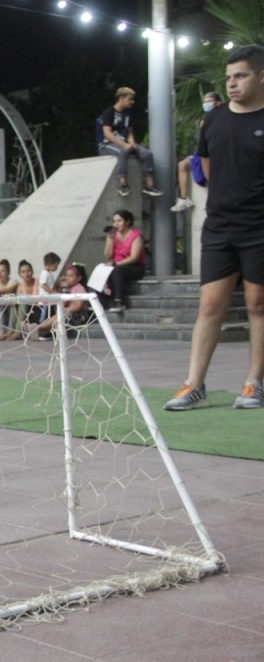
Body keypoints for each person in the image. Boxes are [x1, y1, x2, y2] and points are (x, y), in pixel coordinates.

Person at [165, 45, 264, 411]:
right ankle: (194, 384)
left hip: (260, 228)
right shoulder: (214, 120)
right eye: (229, 78)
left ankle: (254, 384)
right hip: (220, 226)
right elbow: (204, 171)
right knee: (209, 306)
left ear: (261, 76)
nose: (233, 84)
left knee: (257, 304)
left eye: (241, 76)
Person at [97, 87, 164, 198]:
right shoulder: (109, 112)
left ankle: (149, 185)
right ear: (121, 98)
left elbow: (129, 132)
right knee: (123, 152)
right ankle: (123, 184)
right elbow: (107, 134)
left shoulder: (128, 114)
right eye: (130, 99)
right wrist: (124, 145)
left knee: (147, 154)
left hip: (124, 142)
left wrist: (132, 143)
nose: (132, 102)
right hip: (106, 144)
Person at [171, 91, 224, 212]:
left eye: (209, 101)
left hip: (216, 155)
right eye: (204, 102)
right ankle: (184, 198)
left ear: (218, 102)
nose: (206, 104)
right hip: (202, 154)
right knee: (182, 165)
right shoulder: (204, 119)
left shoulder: (223, 118)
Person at [102, 209, 147, 313]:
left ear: (127, 222)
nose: (116, 224)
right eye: (114, 221)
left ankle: (119, 301)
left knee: (117, 270)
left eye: (119, 221)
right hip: (116, 265)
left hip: (135, 266)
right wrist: (110, 239)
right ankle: (103, 301)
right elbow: (108, 255)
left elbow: (134, 257)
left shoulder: (136, 235)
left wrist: (116, 264)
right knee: (102, 270)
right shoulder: (113, 235)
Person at [35, 264, 90, 340]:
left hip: (79, 317)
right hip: (68, 314)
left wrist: (66, 309)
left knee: (61, 315)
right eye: (66, 275)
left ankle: (37, 328)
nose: (67, 278)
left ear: (79, 278)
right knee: (56, 316)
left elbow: (78, 306)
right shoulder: (68, 289)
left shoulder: (80, 288)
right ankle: (39, 329)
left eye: (71, 276)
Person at [4, 259, 41, 341]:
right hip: (25, 313)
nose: (26, 274)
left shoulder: (38, 283)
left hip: (37, 310)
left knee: (23, 302)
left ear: (32, 271)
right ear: (20, 274)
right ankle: (10, 331)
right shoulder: (20, 286)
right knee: (15, 303)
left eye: (28, 271)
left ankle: (17, 332)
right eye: (23, 272)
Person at [38, 251, 61, 322]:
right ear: (49, 264)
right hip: (45, 301)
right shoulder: (45, 273)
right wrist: (53, 292)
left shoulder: (49, 273)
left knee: (50, 316)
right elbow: (43, 285)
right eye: (55, 266)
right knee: (44, 318)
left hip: (49, 301)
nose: (57, 267)